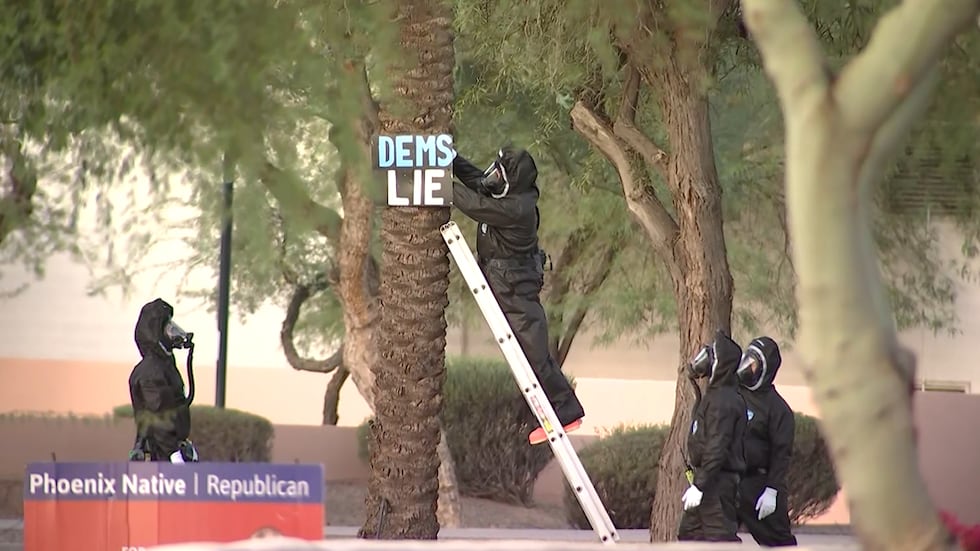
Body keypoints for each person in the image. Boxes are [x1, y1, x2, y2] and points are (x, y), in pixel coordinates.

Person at [450, 146, 585, 445]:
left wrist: (434, 182)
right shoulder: (506, 195)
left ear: (513, 179)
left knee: (534, 356)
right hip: (507, 281)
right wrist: (451, 158)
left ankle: (567, 409)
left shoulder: (516, 208)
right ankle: (555, 409)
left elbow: (473, 205)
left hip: (515, 287)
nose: (493, 177)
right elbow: (477, 182)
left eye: (499, 174)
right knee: (528, 356)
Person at [677, 329, 747, 542]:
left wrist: (700, 485)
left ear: (720, 365)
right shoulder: (715, 396)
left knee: (720, 539)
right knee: (690, 536)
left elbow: (717, 447)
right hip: (707, 481)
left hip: (717, 484)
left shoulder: (723, 402)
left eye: (711, 355)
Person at [735, 336, 799, 547]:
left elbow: (782, 455)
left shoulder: (778, 410)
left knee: (778, 541)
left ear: (765, 369)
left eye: (752, 364)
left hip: (759, 486)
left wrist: (772, 490)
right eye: (746, 360)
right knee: (710, 538)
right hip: (730, 481)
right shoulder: (733, 394)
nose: (746, 367)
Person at [128, 298, 197, 462]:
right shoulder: (151, 373)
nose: (172, 331)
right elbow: (159, 416)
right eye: (167, 326)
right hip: (159, 457)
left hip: (167, 453)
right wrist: (174, 454)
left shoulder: (164, 366)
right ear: (156, 332)